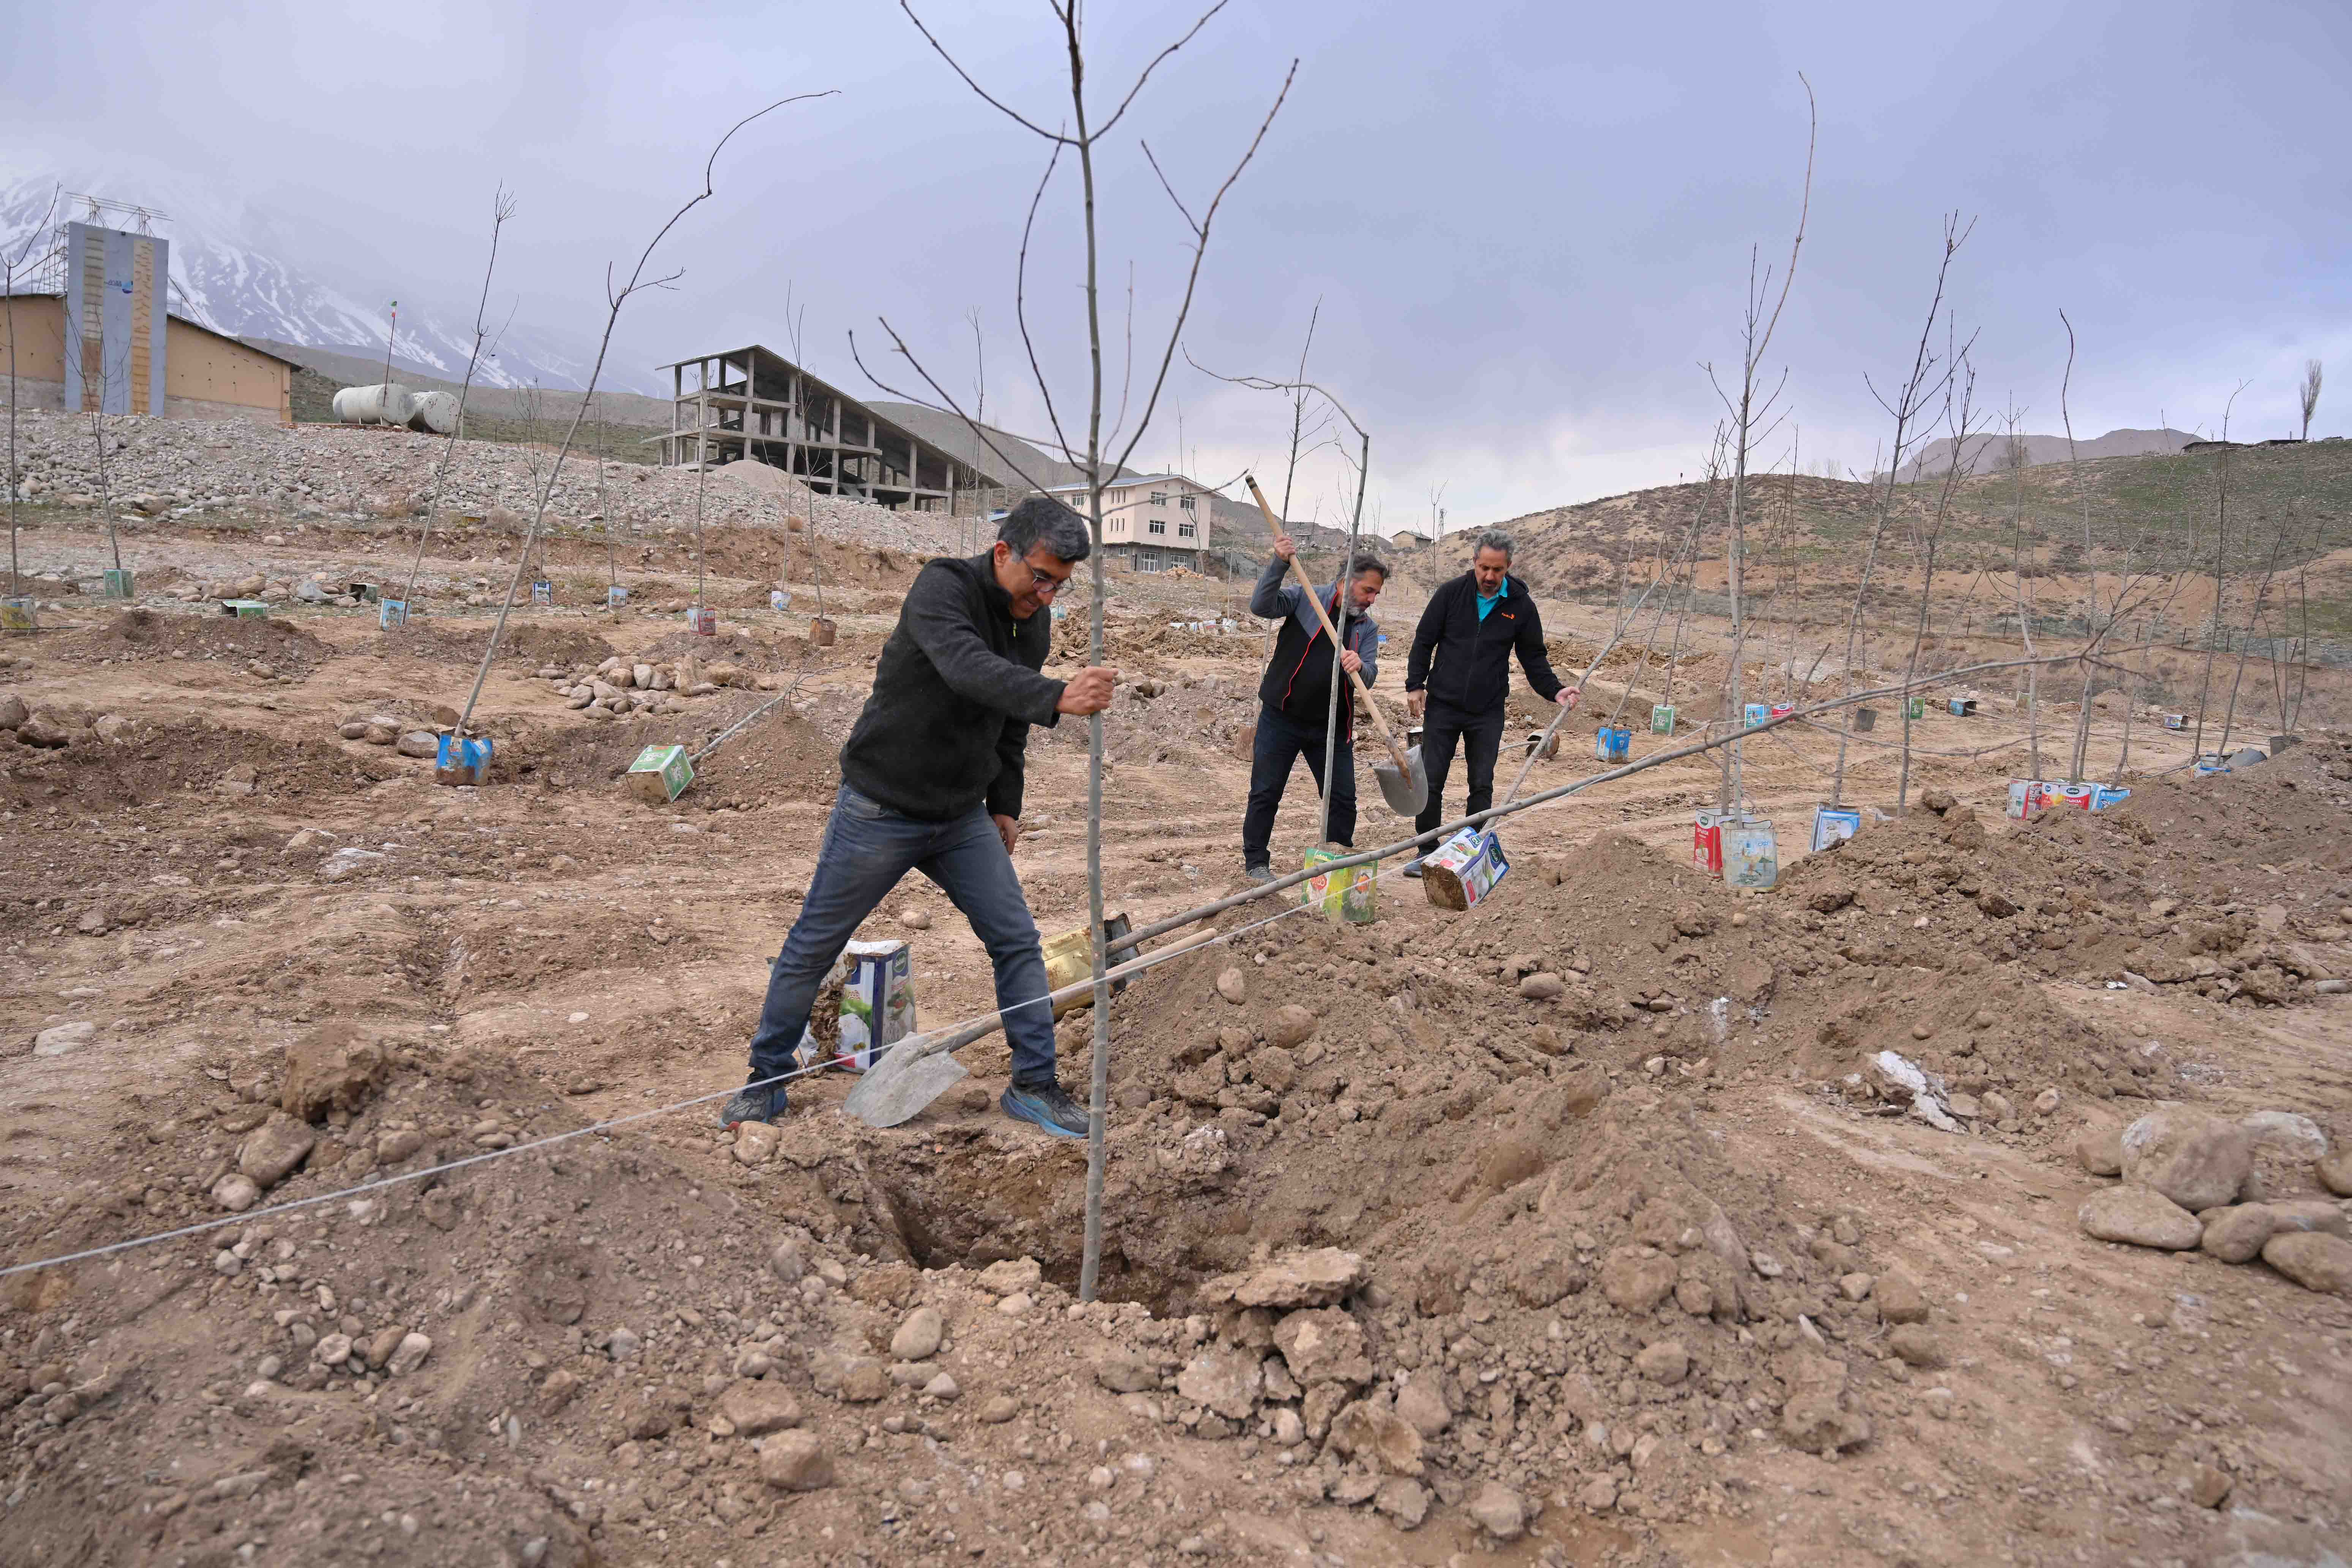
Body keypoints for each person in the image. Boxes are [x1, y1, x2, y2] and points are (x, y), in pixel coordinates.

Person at [722, 498, 1117, 1137]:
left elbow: (1009, 723)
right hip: (881, 806)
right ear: (1003, 553)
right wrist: (1059, 696)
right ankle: (764, 1081)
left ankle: (1034, 1084)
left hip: (961, 817)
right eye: (1040, 577)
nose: (1046, 595)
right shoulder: (943, 589)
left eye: (1060, 585)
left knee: (1015, 940)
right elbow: (967, 670)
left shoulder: (1034, 623)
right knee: (814, 944)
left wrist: (1005, 804)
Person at [1402, 528, 1576, 874]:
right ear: (1474, 563)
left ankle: (1469, 850)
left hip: (1488, 710)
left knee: (1481, 782)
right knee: (1432, 779)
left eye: (1498, 569)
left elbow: (1534, 657)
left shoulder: (1521, 606)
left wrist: (1555, 690)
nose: (1490, 576)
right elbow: (1424, 640)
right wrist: (1415, 684)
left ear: (1508, 567)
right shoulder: (1451, 594)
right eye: (1484, 568)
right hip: (1444, 706)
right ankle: (1426, 851)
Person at [1241, 535, 1386, 884]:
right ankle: (1256, 864)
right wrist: (1279, 563)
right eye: (1368, 590)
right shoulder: (1307, 597)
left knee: (1342, 799)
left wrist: (1360, 667)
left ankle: (1337, 865)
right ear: (1347, 581)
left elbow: (1370, 676)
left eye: (1376, 594)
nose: (1371, 600)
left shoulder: (1367, 629)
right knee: (1266, 792)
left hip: (1331, 728)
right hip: (1282, 717)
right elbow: (1261, 606)